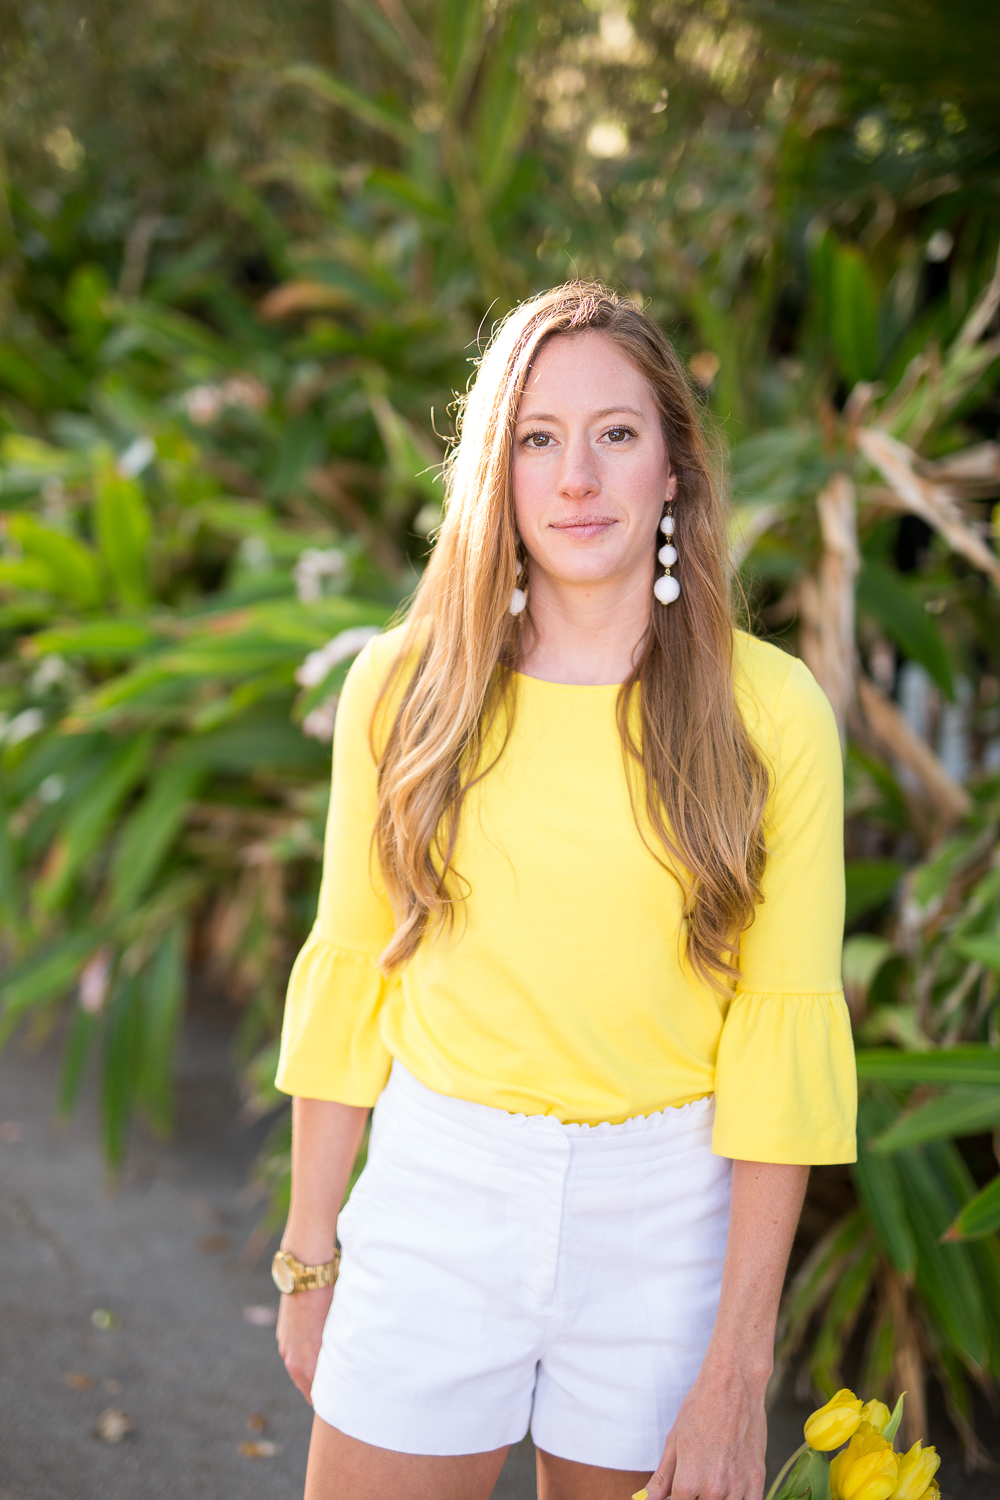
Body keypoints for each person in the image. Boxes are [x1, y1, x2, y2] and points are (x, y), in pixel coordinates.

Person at [272, 281, 856, 1500]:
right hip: (441, 1196)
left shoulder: (770, 711)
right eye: (538, 438)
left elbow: (781, 1035)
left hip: (665, 1215)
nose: (576, 477)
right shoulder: (405, 687)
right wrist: (309, 1251)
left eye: (616, 434)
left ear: (673, 470)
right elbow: (350, 964)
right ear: (500, 470)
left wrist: (738, 1370)